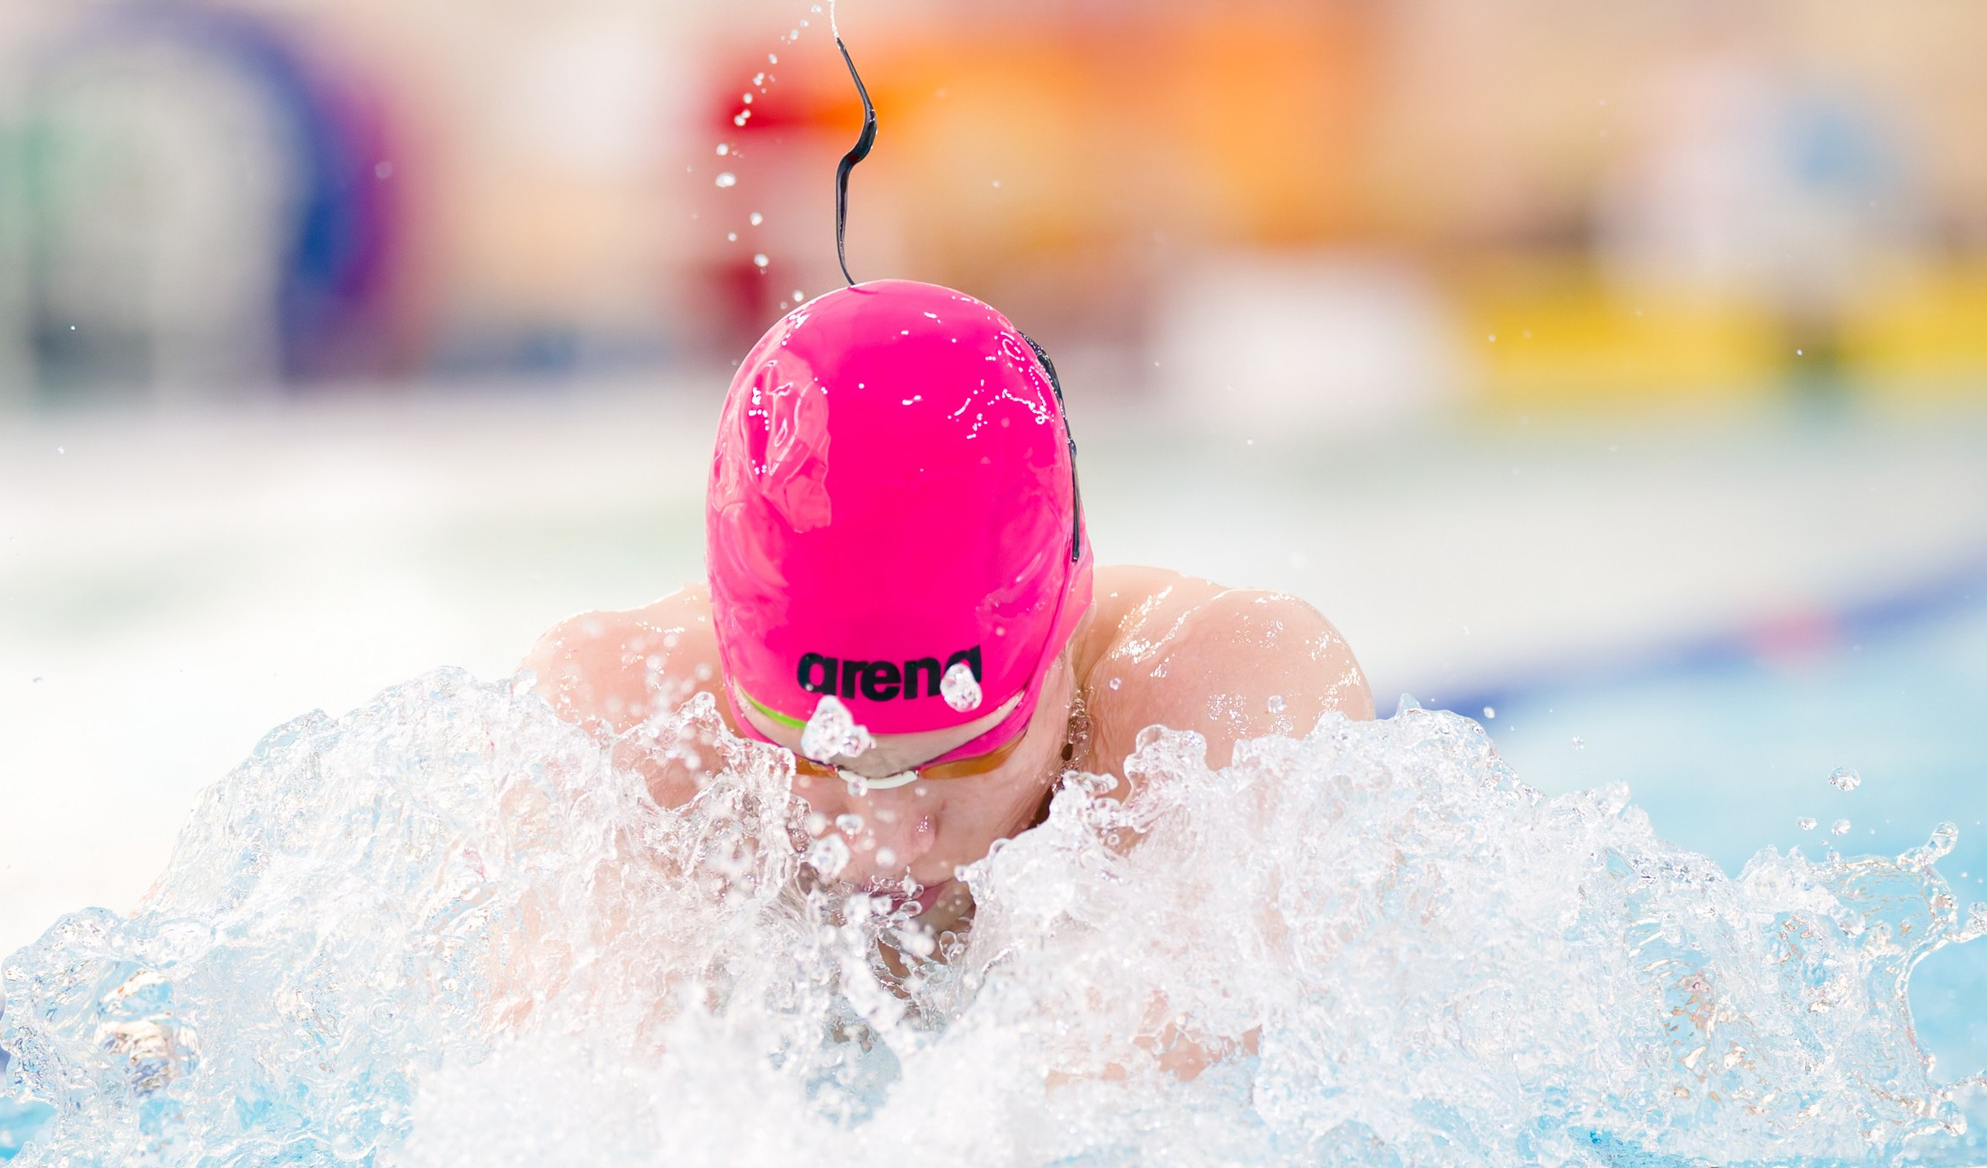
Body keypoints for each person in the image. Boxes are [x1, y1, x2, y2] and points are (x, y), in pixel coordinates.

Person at [525, 280, 1371, 949]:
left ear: (1066, 630)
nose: (884, 844)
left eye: (959, 756)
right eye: (816, 760)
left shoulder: (1226, 709)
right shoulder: (620, 733)